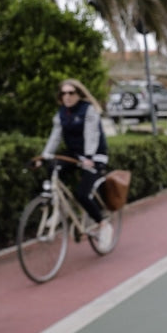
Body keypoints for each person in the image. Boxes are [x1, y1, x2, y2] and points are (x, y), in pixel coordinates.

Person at [36, 78, 112, 249]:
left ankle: (103, 225)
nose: (67, 97)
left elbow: (91, 135)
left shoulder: (88, 110)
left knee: (82, 194)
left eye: (71, 93)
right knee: (53, 167)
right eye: (63, 93)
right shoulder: (61, 113)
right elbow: (55, 136)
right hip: (75, 155)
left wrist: (89, 157)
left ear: (79, 94)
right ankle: (58, 209)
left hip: (95, 156)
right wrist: (44, 156)